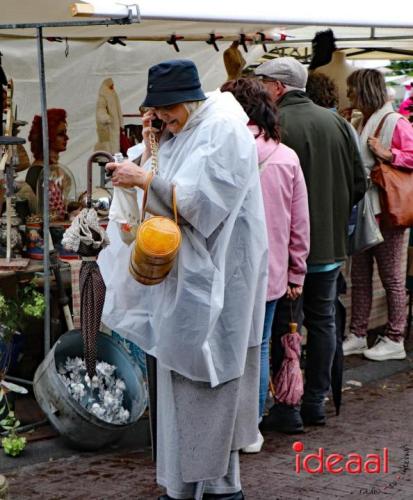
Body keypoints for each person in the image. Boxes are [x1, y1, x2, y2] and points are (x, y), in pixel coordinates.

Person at [100, 60, 268, 500]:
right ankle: (185, 485)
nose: (165, 121)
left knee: (211, 381)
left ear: (187, 101)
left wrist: (144, 178)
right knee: (183, 384)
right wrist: (147, 145)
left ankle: (215, 488)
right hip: (190, 282)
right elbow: (168, 171)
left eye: (168, 113)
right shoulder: (188, 125)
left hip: (220, 282)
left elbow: (202, 203)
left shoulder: (225, 131)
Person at [254, 57, 366, 430]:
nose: (259, 88)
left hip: (288, 250)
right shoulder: (336, 121)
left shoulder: (276, 126)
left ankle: (288, 406)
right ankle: (314, 401)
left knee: (286, 326)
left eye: (263, 82)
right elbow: (358, 183)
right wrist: (332, 215)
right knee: (322, 324)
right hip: (329, 248)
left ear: (279, 87)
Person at [220, 78, 310, 452]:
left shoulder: (222, 151)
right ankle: (251, 428)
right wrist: (296, 272)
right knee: (257, 347)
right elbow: (299, 223)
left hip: (223, 269)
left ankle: (222, 425)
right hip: (269, 272)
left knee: (225, 347)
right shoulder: (286, 157)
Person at [343, 69, 413, 361]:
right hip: (365, 210)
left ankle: (395, 337)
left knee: (391, 277)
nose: (348, 95)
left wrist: (388, 154)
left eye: (352, 90)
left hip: (386, 211)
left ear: (364, 91)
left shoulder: (395, 121)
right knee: (359, 276)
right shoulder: (359, 120)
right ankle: (358, 334)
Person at [22, 108, 75, 219]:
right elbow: (37, 213)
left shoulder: (54, 169)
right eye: (61, 134)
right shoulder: (37, 172)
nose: (67, 138)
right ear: (48, 138)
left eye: (65, 133)